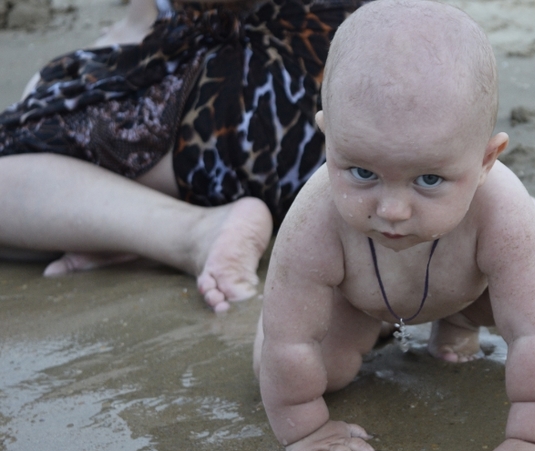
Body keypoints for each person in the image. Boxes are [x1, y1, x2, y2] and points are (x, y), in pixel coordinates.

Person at [253, 0, 535, 451]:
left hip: (466, 284)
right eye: (362, 172)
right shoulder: (314, 217)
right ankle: (379, 325)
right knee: (297, 367)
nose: (392, 210)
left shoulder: (502, 212)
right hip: (357, 298)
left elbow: (534, 335)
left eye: (428, 179)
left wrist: (534, 440)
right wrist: (305, 429)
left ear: (486, 160)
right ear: (328, 140)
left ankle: (458, 321)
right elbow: (289, 341)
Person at [0, 0, 365, 312]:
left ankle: (194, 233)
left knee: (27, 130)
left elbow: (142, 32)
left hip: (255, 104)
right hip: (354, 96)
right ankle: (120, 232)